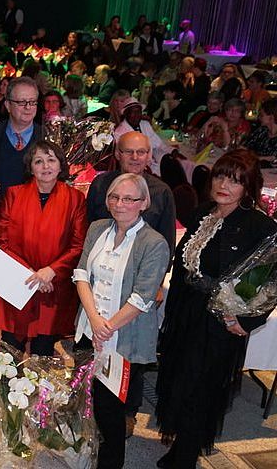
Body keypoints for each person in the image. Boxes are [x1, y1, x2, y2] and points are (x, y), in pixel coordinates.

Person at [156, 150, 277, 468]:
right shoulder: (202, 213)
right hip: (186, 312)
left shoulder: (258, 227)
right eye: (221, 176)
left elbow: (265, 282)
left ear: (248, 188)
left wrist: (247, 320)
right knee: (179, 381)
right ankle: (183, 443)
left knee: (202, 389)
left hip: (218, 323)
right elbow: (183, 264)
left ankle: (185, 457)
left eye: (236, 181)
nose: (224, 184)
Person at [73, 174, 170, 469]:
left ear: (143, 203)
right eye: (115, 197)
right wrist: (94, 319)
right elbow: (80, 275)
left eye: (129, 198)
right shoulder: (98, 228)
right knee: (88, 398)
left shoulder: (154, 243)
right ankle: (88, 452)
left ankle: (110, 464)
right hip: (90, 329)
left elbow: (142, 298)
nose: (120, 204)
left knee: (110, 408)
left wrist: (108, 326)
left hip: (124, 338)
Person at [85, 131, 176, 435]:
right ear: (118, 154)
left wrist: (157, 284)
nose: (136, 158)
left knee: (129, 354)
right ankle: (95, 407)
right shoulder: (101, 185)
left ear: (150, 155)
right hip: (103, 279)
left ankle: (128, 411)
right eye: (129, 152)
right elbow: (91, 234)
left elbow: (166, 242)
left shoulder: (161, 191)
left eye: (142, 152)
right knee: (94, 358)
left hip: (138, 286)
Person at [0, 141, 87, 356]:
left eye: (51, 160)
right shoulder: (13, 194)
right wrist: (32, 276)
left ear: (61, 166)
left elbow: (78, 244)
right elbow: (0, 239)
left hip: (53, 286)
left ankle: (39, 392)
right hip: (17, 284)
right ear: (30, 167)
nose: (45, 166)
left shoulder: (75, 199)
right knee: (9, 353)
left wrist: (51, 271)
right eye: (38, 161)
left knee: (43, 354)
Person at [0, 76, 42, 193]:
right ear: (8, 105)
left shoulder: (48, 137)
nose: (28, 107)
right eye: (21, 102)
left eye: (32, 102)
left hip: (32, 209)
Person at [114, 98, 170, 174]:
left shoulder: (145, 124)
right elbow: (125, 159)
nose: (136, 115)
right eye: (133, 112)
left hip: (153, 164)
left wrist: (172, 151)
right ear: (126, 114)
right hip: (135, 170)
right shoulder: (120, 132)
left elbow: (158, 144)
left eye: (138, 112)